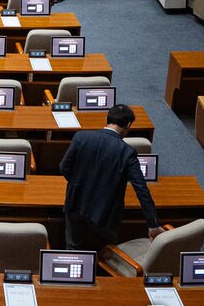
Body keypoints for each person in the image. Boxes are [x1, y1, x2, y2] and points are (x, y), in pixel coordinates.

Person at [60, 104, 163, 252]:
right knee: (108, 249)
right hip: (105, 210)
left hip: (76, 202)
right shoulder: (127, 152)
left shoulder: (81, 137)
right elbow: (141, 189)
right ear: (128, 125)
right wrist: (153, 223)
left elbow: (64, 167)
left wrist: (79, 183)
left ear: (107, 119)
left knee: (74, 247)